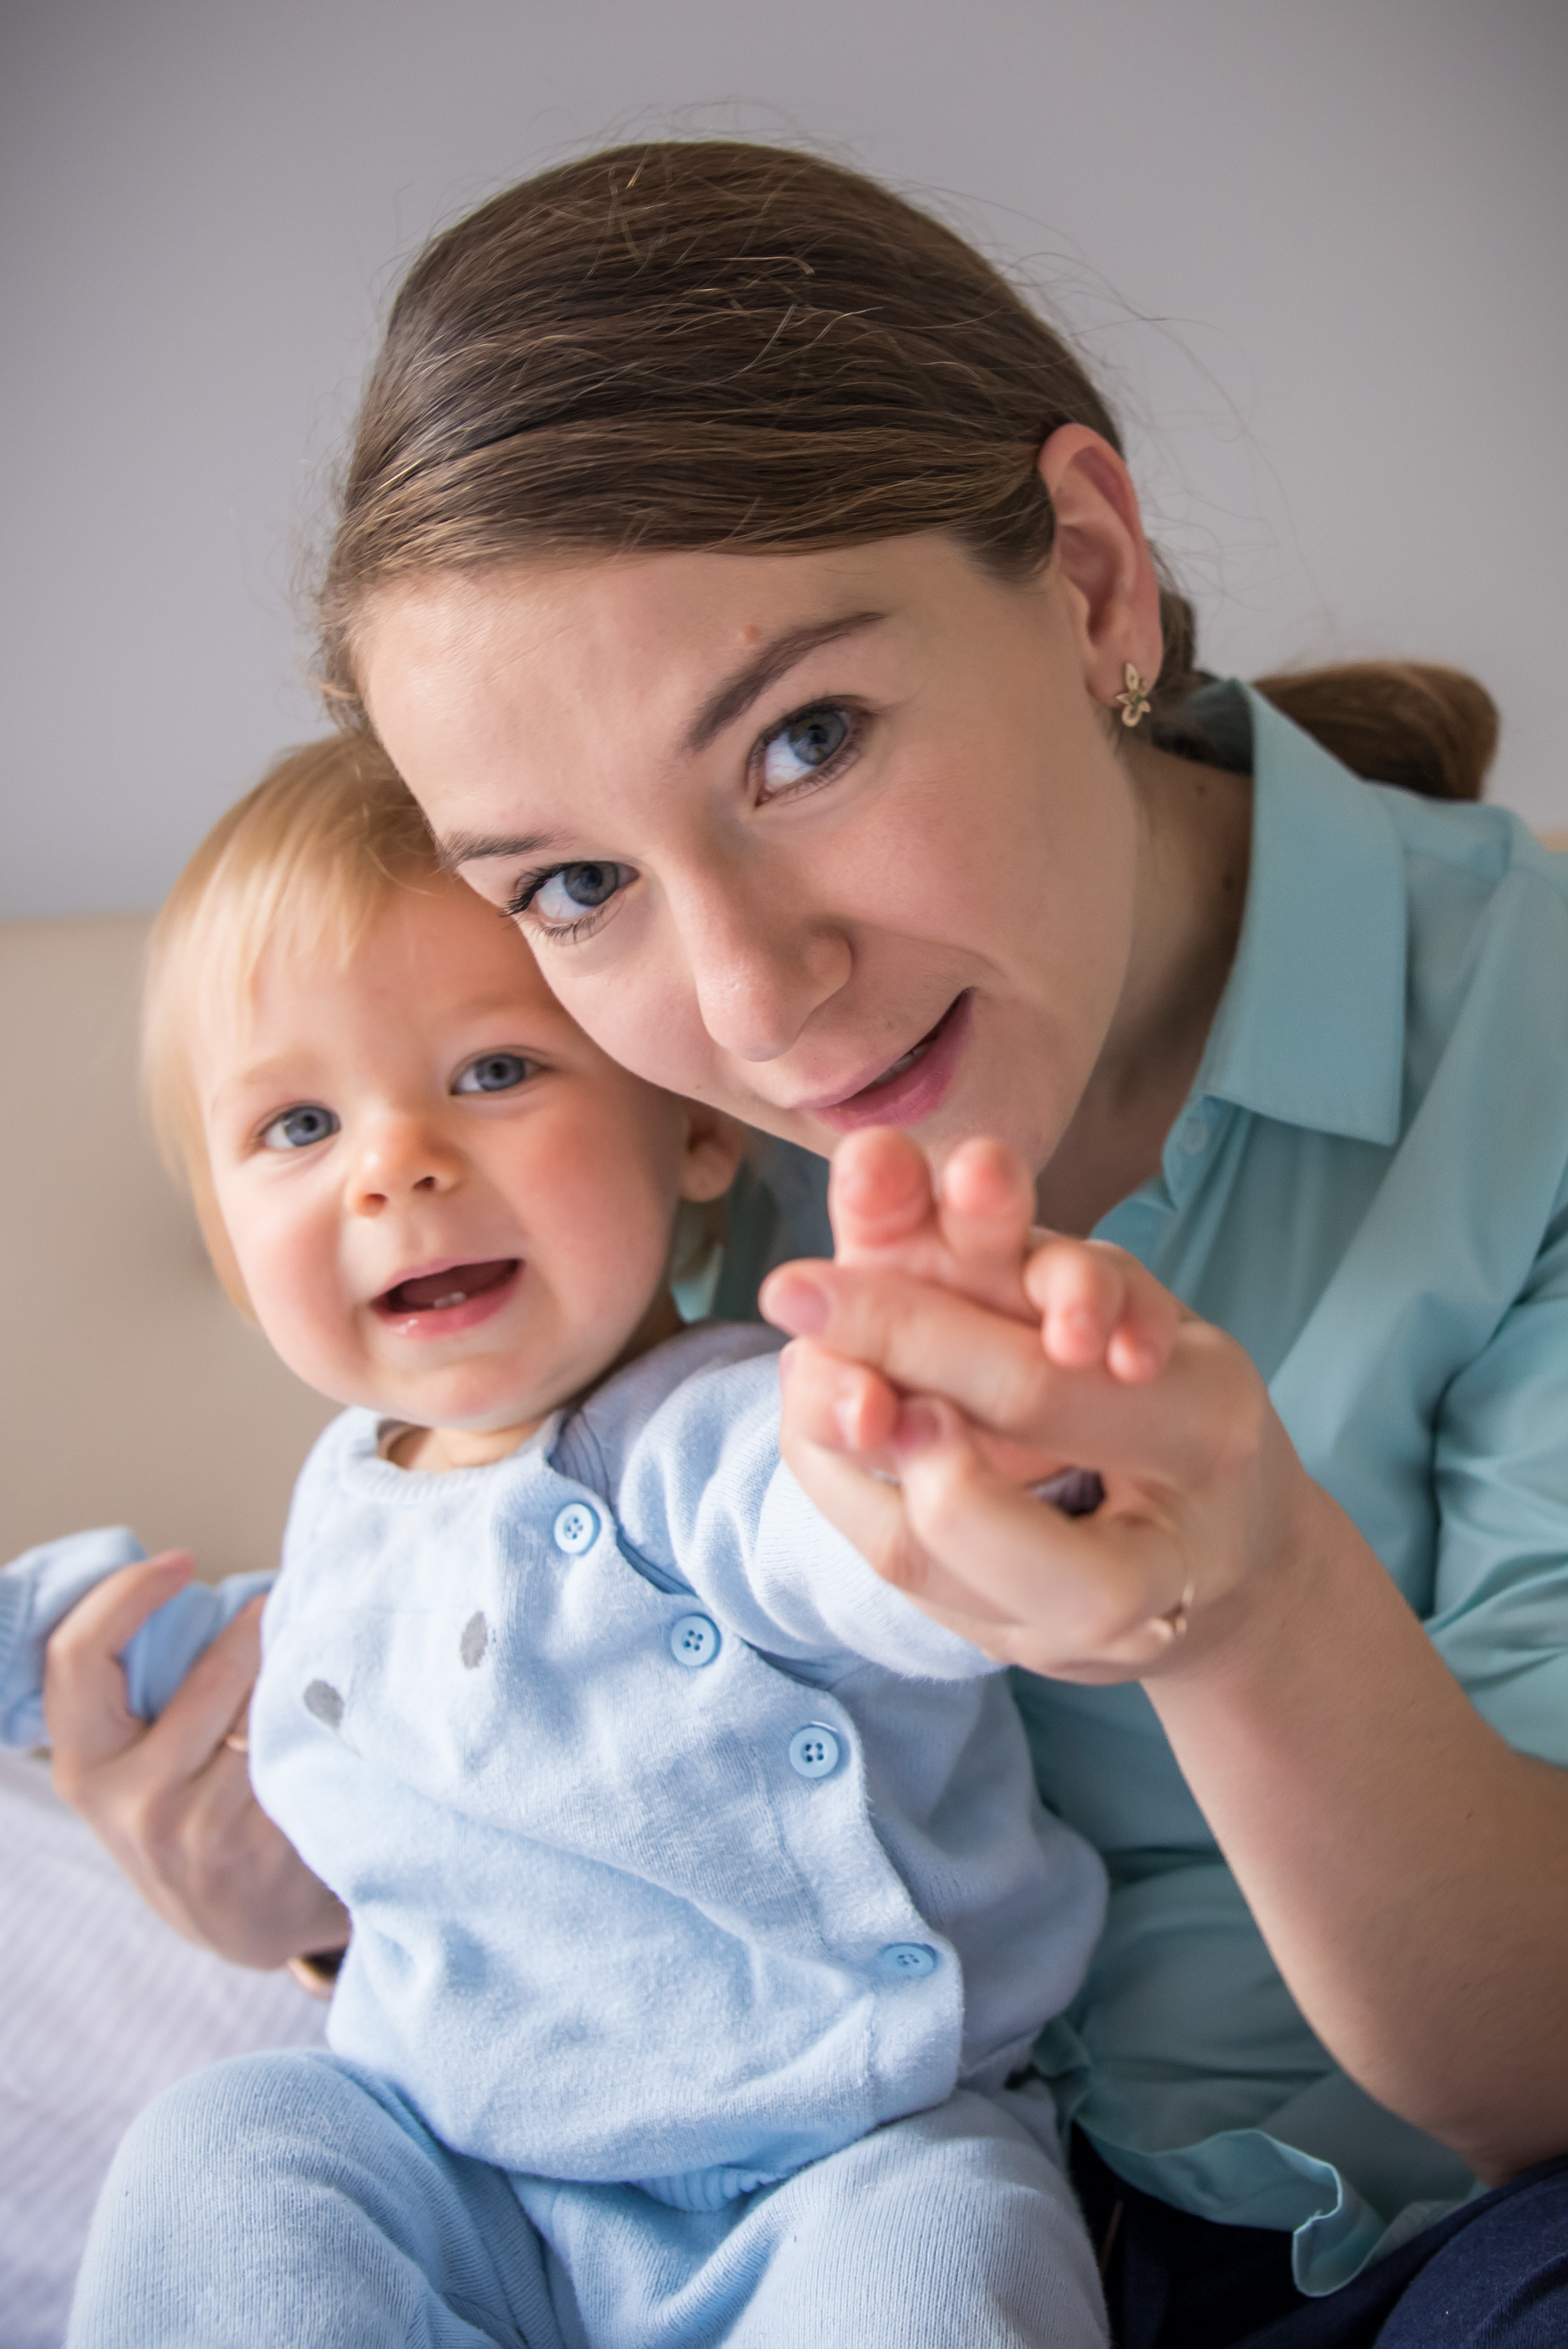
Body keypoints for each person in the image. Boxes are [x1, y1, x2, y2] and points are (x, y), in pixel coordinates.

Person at [42, 141, 1568, 2346]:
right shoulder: (606, 1134)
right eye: (575, 886)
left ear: (1090, 579)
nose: (753, 1001)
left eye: (806, 740)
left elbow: (1539, 2078)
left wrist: (1244, 1610)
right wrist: (320, 1896)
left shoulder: (1525, 1046)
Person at [15, 737, 1116, 2347]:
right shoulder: (344, 1508)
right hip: (462, 2174)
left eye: (493, 1072)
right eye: (299, 1122)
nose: (396, 1164)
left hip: (834, 2152)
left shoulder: (719, 1429)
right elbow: (196, 1645)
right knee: (228, 2138)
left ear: (693, 1132)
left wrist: (966, 1472)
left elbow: (834, 1528)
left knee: (944, 2264)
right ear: (227, 1245)